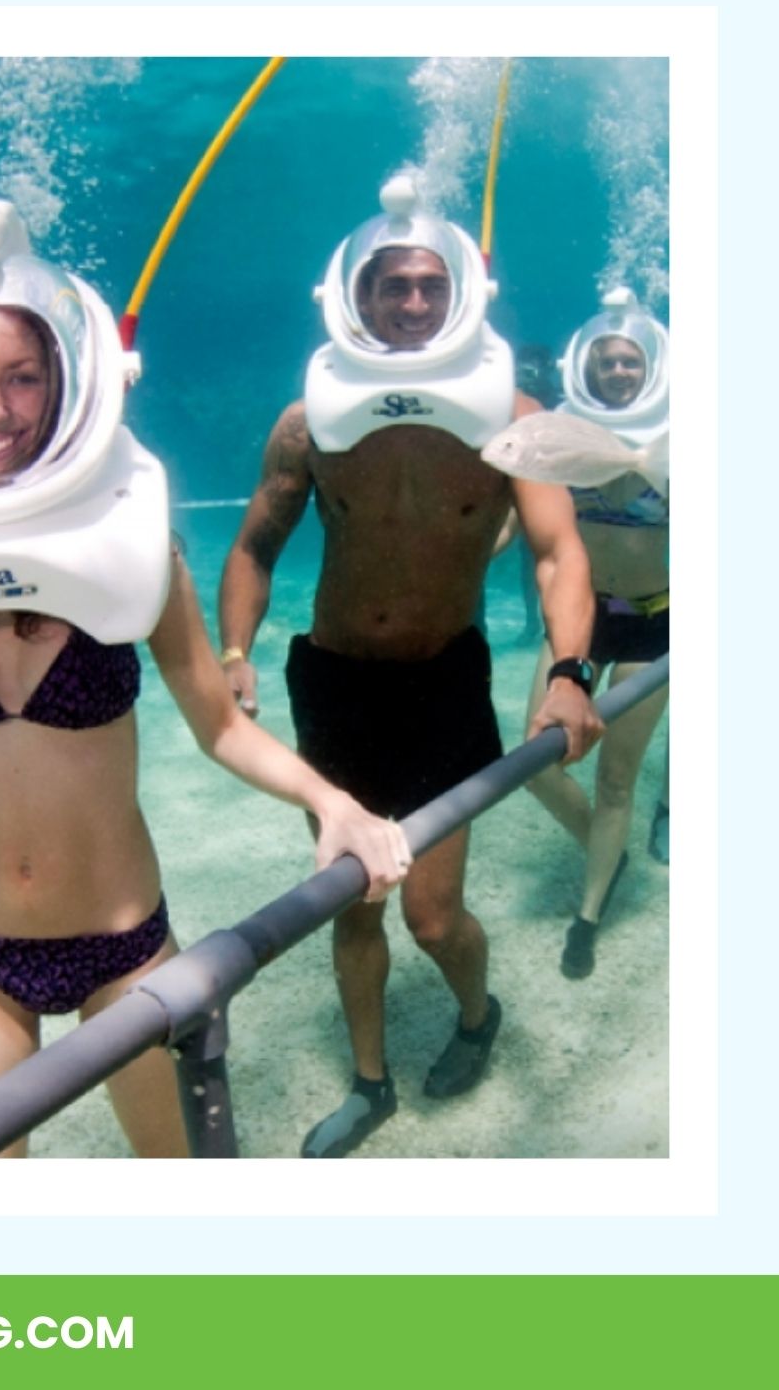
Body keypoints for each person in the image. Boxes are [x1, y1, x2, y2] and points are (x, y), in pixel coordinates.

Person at [0, 211, 410, 1158]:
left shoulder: (129, 543)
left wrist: (332, 803)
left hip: (125, 945)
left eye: (23, 377)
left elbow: (220, 726)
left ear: (68, 383)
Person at [216, 177, 601, 1158]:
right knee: (354, 900)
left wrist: (570, 672)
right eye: (394, 286)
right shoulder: (309, 422)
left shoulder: (512, 414)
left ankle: (478, 1016)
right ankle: (371, 1082)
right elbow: (256, 545)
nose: (415, 303)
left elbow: (556, 551)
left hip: (443, 685)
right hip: (336, 684)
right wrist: (233, 654)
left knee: (432, 917)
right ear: (357, 295)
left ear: (462, 293)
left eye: (431, 285)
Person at [522, 291, 670, 978]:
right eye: (606, 361)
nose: (617, 372)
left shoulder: (684, 432)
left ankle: (588, 914)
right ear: (587, 364)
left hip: (657, 618)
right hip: (579, 617)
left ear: (652, 367)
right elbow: (520, 515)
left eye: (629, 361)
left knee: (616, 779)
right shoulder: (562, 433)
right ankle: (606, 853)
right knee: (533, 762)